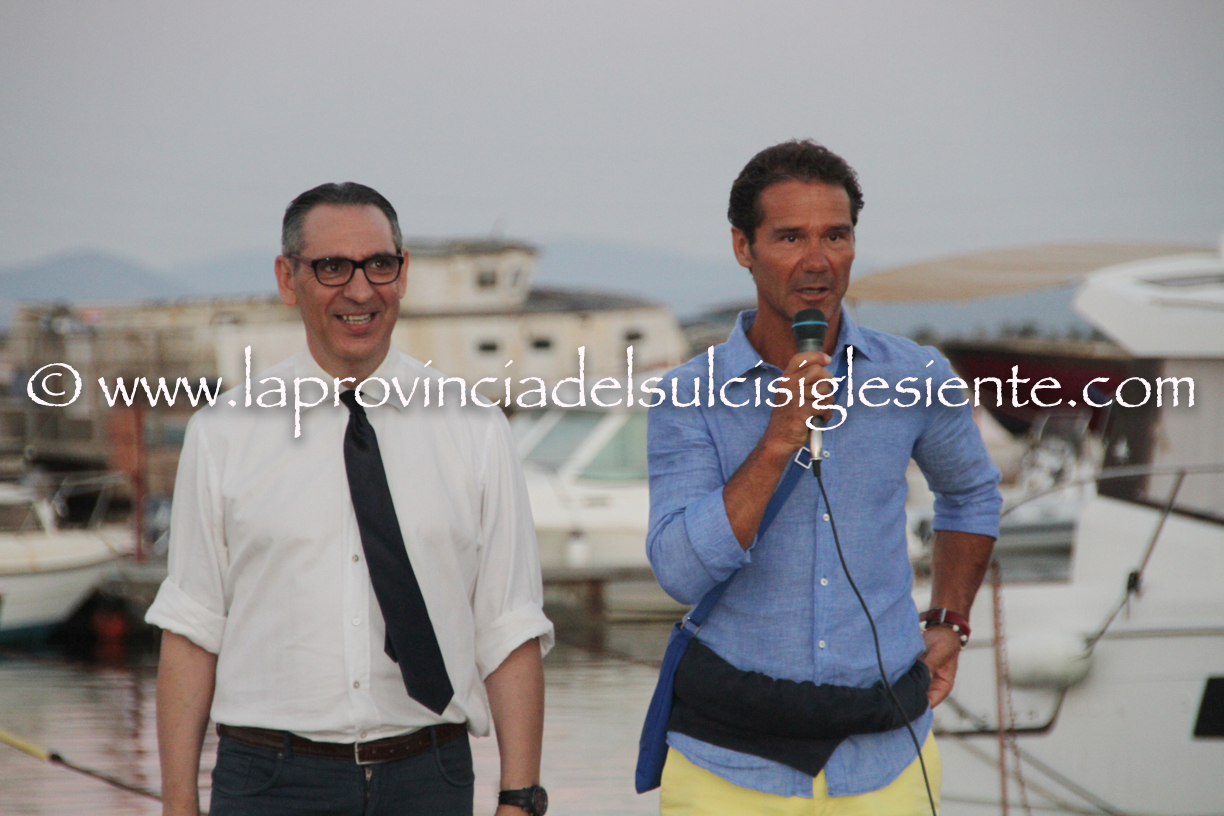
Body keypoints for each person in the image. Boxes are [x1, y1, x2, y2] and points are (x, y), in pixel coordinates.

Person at [146, 182, 553, 816]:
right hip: (268, 784)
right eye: (332, 267)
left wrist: (519, 800)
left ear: (403, 272)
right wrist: (178, 803)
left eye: (378, 265)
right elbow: (192, 628)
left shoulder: (476, 430)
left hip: (428, 778)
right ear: (288, 279)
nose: (360, 290)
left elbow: (509, 624)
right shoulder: (224, 433)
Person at [646, 141, 1002, 814]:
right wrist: (778, 440)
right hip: (728, 765)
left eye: (835, 236)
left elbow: (971, 492)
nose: (817, 260)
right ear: (743, 246)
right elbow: (679, 573)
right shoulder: (688, 395)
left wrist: (950, 619)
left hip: (887, 757)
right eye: (790, 237)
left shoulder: (915, 375)